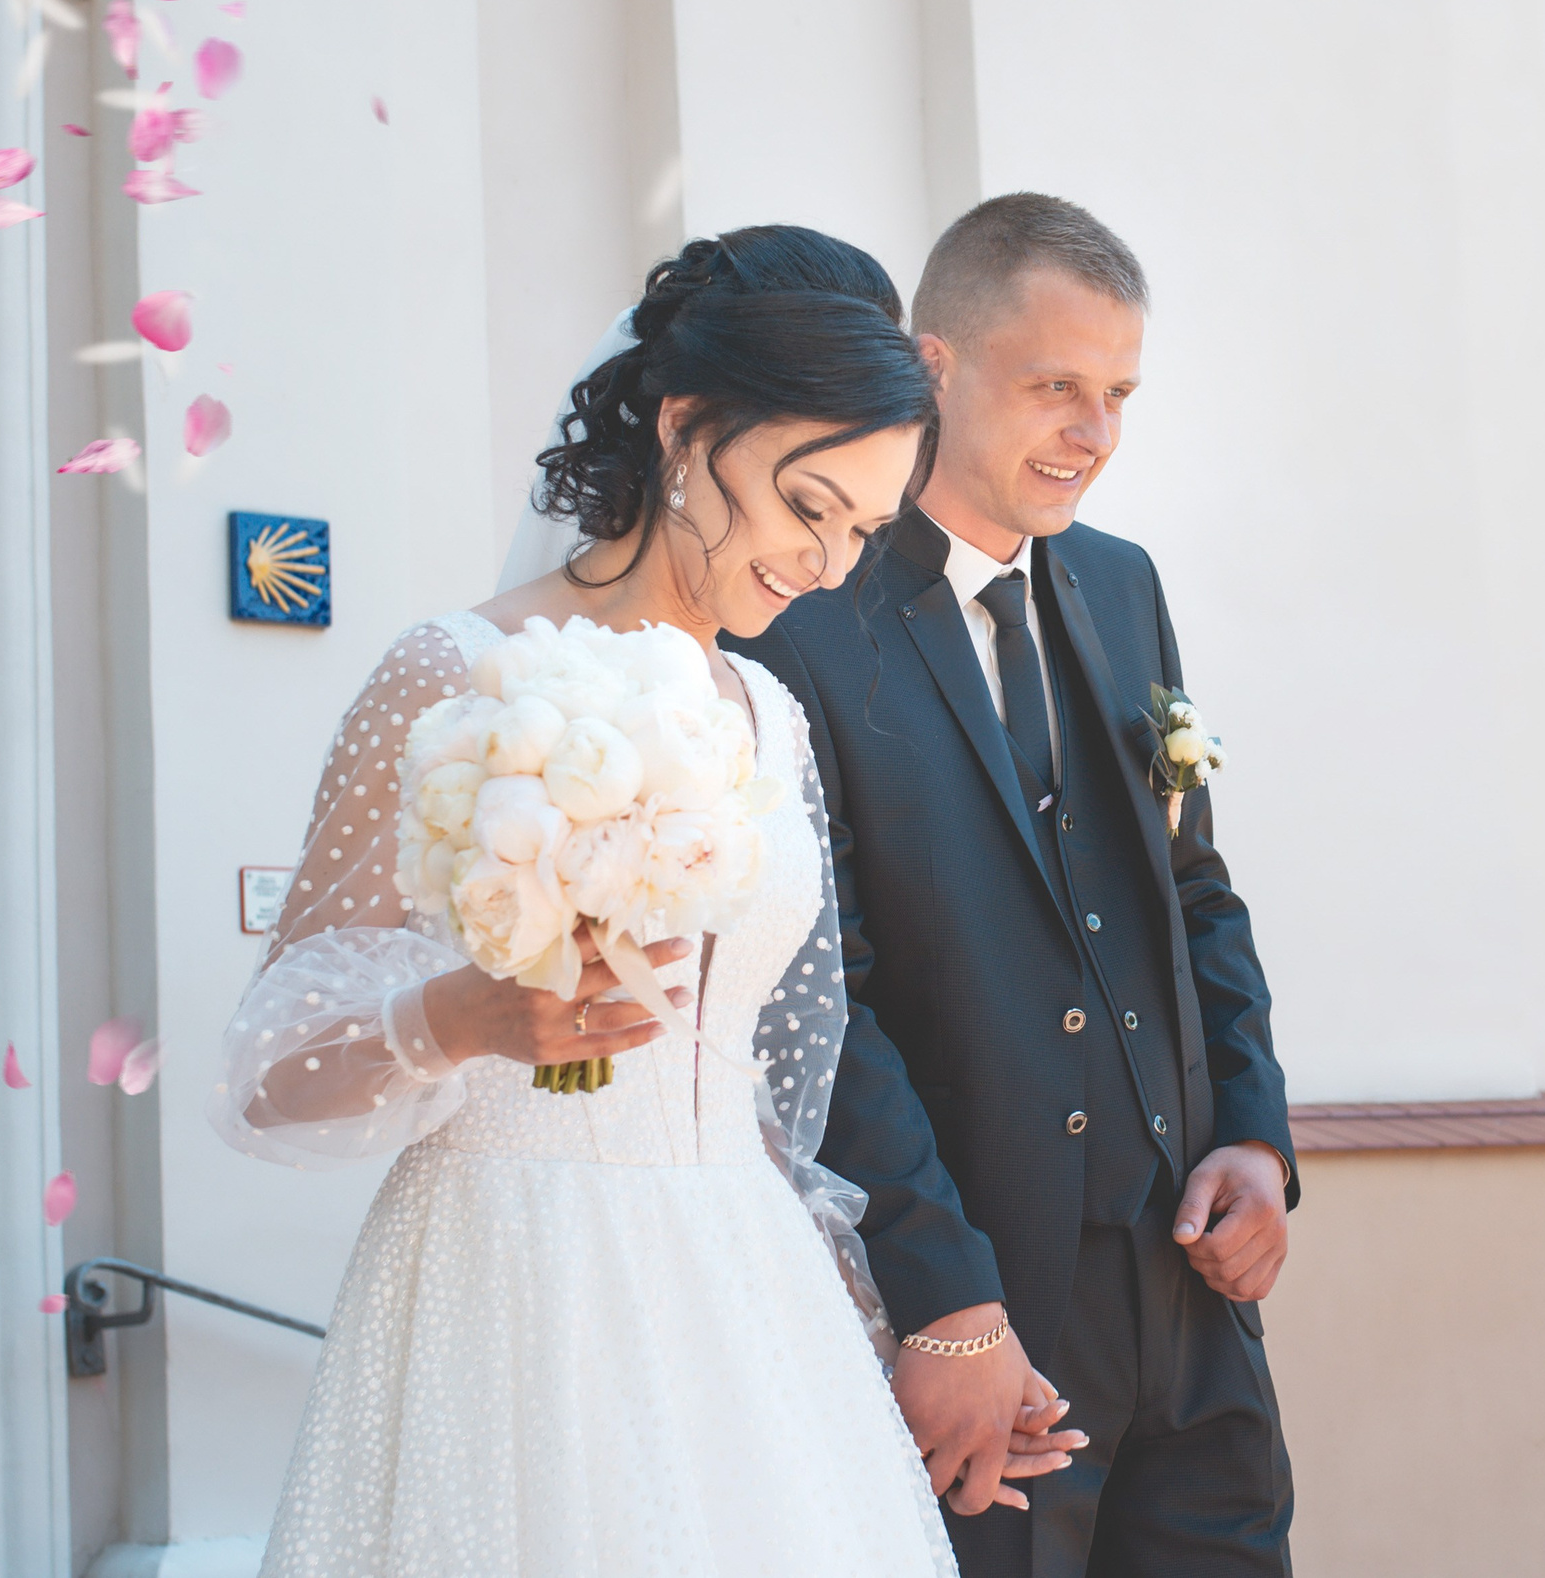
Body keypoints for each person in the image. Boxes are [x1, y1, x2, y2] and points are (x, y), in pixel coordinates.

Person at [213, 229, 1075, 1578]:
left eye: (860, 530)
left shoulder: (771, 713)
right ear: (685, 427)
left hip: (743, 1300)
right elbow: (270, 1067)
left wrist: (898, 1328)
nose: (827, 566)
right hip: (511, 1287)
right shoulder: (451, 672)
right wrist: (460, 1017)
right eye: (808, 506)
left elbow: (769, 1098)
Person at [729, 195, 1296, 1575]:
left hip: (1192, 1288)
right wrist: (945, 1296)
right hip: (986, 1314)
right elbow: (820, 993)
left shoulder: (1122, 584)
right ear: (935, 368)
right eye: (1057, 388)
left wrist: (1255, 1135)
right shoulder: (802, 616)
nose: (1095, 434)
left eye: (1119, 396)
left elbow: (1195, 892)